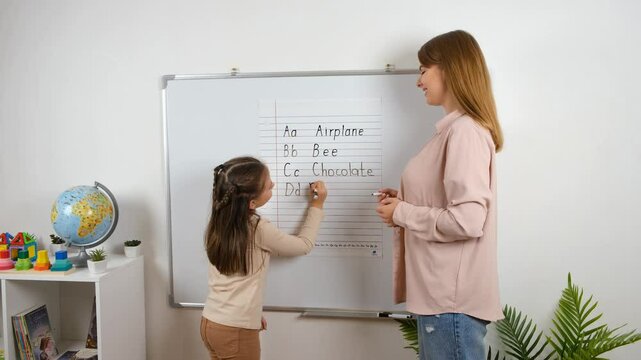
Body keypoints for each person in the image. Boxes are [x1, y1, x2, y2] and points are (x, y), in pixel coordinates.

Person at [376, 30, 504, 360]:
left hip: (450, 304)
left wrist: (401, 213)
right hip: (444, 302)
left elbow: (467, 220)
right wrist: (403, 200)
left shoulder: (463, 132)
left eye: (423, 70)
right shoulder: (456, 130)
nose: (418, 81)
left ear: (449, 68)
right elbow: (450, 203)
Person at [200, 156, 327, 360]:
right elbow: (304, 245)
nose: (273, 185)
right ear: (251, 203)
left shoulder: (220, 222)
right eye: (268, 186)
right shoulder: (257, 228)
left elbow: (234, 280)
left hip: (211, 322)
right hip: (235, 331)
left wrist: (251, 315)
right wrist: (317, 205)